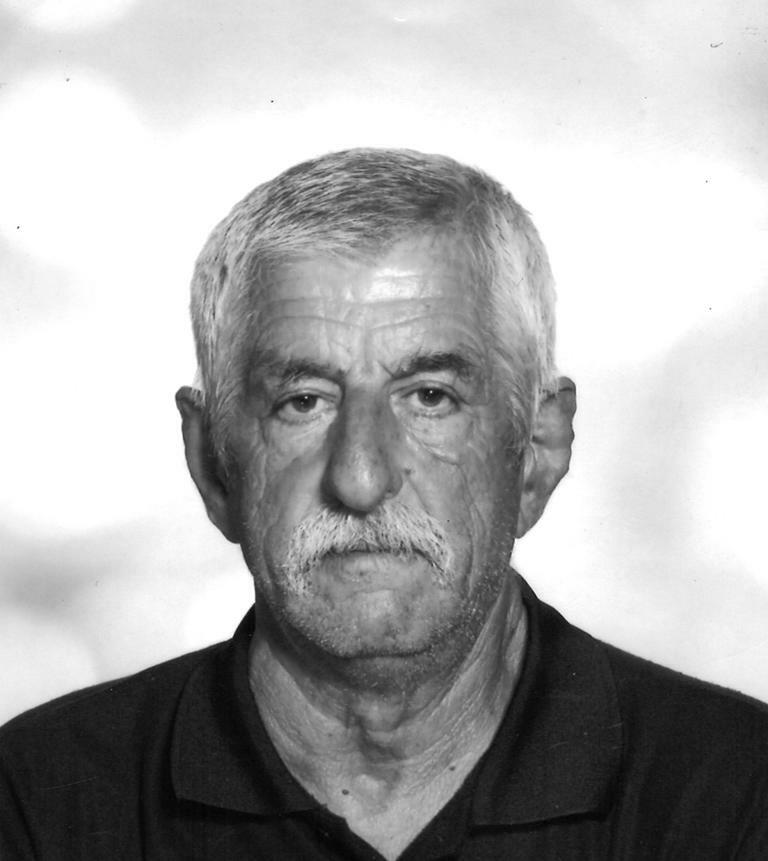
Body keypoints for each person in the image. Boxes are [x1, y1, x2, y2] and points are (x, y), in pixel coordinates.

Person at [1, 148, 766, 860]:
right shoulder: (37, 805)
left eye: (430, 397)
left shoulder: (738, 798)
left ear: (538, 448)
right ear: (211, 462)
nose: (361, 479)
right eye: (303, 401)